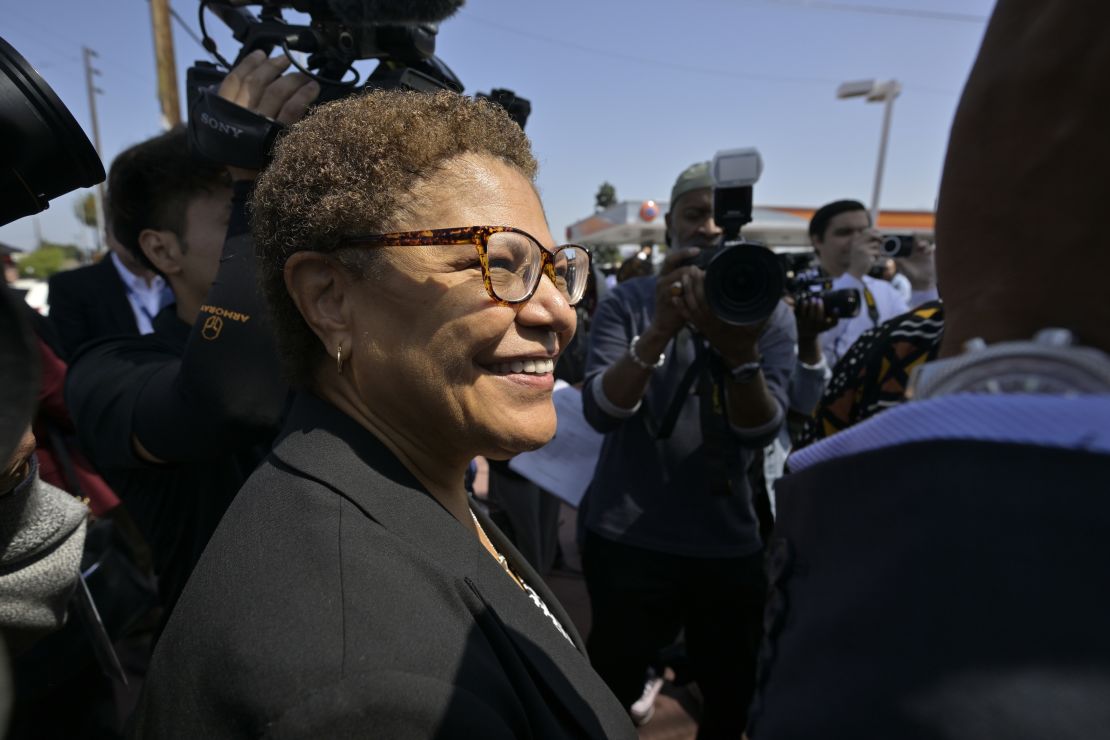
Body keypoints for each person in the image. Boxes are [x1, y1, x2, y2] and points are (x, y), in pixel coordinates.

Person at [129, 89, 635, 739]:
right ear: (330, 298)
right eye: (497, 262)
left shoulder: (402, 477)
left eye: (555, 270)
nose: (558, 312)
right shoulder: (371, 692)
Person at [748, 1, 1110, 737]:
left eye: (867, 231)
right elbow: (813, 416)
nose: (865, 240)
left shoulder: (899, 303)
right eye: (845, 231)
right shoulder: (814, 310)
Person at [65, 52, 316, 615]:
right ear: (161, 249)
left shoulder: (328, 342)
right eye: (240, 206)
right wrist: (252, 175)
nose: (271, 214)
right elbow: (227, 400)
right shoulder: (108, 370)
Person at [579, 161, 796, 736]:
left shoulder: (765, 306)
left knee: (732, 695)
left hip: (727, 543)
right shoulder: (630, 301)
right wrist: (660, 328)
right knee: (607, 689)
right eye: (693, 215)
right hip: (627, 537)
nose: (706, 229)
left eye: (717, 218)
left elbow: (761, 430)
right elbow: (600, 410)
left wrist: (738, 349)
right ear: (669, 224)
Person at [808, 200, 909, 367]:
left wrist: (924, 283)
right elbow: (811, 345)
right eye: (844, 232)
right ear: (817, 240)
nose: (857, 241)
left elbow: (911, 339)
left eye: (863, 232)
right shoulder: (803, 288)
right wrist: (854, 275)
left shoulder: (885, 291)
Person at [47, 225, 173, 359]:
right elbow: (76, 358)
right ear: (108, 236)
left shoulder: (184, 278)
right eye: (128, 229)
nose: (139, 240)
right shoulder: (72, 287)